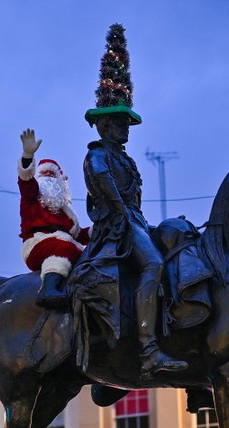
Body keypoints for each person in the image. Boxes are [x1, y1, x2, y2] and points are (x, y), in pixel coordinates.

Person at [82, 112, 187, 377]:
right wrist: (121, 212)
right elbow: (102, 179)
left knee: (176, 239)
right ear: (104, 127)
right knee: (153, 263)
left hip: (135, 220)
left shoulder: (123, 157)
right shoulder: (97, 155)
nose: (125, 129)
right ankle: (149, 349)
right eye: (119, 123)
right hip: (117, 224)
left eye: (127, 124)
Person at [18, 128, 89, 309]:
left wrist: (101, 229)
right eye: (45, 174)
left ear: (60, 180)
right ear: (38, 176)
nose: (49, 177)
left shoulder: (66, 212)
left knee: (88, 256)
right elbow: (26, 180)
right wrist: (27, 155)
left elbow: (79, 235)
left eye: (53, 174)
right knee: (64, 246)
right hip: (38, 244)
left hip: (65, 243)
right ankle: (47, 290)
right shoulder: (32, 196)